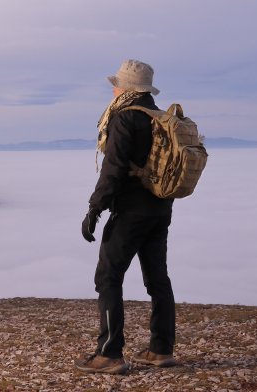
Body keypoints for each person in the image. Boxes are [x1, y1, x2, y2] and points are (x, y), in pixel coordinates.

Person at [75, 59, 177, 374]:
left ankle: (109, 354)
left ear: (127, 89)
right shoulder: (160, 117)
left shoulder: (125, 117)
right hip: (161, 209)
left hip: (131, 211)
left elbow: (114, 169)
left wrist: (95, 208)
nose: (114, 89)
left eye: (117, 84)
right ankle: (161, 350)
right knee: (157, 278)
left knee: (108, 277)